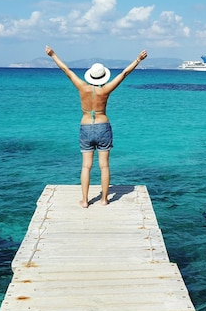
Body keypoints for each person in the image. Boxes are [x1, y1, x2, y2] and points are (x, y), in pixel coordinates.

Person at [45, 45, 148, 208]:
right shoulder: (105, 90)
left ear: (90, 76)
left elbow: (66, 70)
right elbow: (124, 74)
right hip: (103, 126)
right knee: (104, 165)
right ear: (103, 77)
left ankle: (85, 201)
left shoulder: (82, 87)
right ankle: (104, 199)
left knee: (86, 165)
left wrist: (52, 55)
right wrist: (138, 60)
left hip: (85, 126)